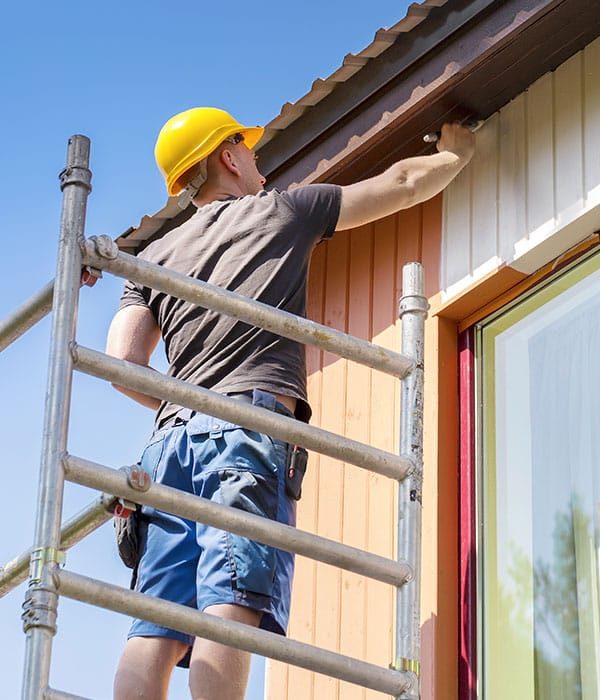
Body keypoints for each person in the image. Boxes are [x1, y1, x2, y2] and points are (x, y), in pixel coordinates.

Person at [106, 106, 474, 700]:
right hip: (244, 432)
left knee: (157, 620)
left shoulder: (152, 257)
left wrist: (188, 403)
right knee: (231, 601)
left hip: (166, 448)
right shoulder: (282, 208)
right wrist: (456, 153)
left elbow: (121, 364)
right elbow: (403, 184)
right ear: (227, 156)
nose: (258, 162)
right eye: (248, 150)